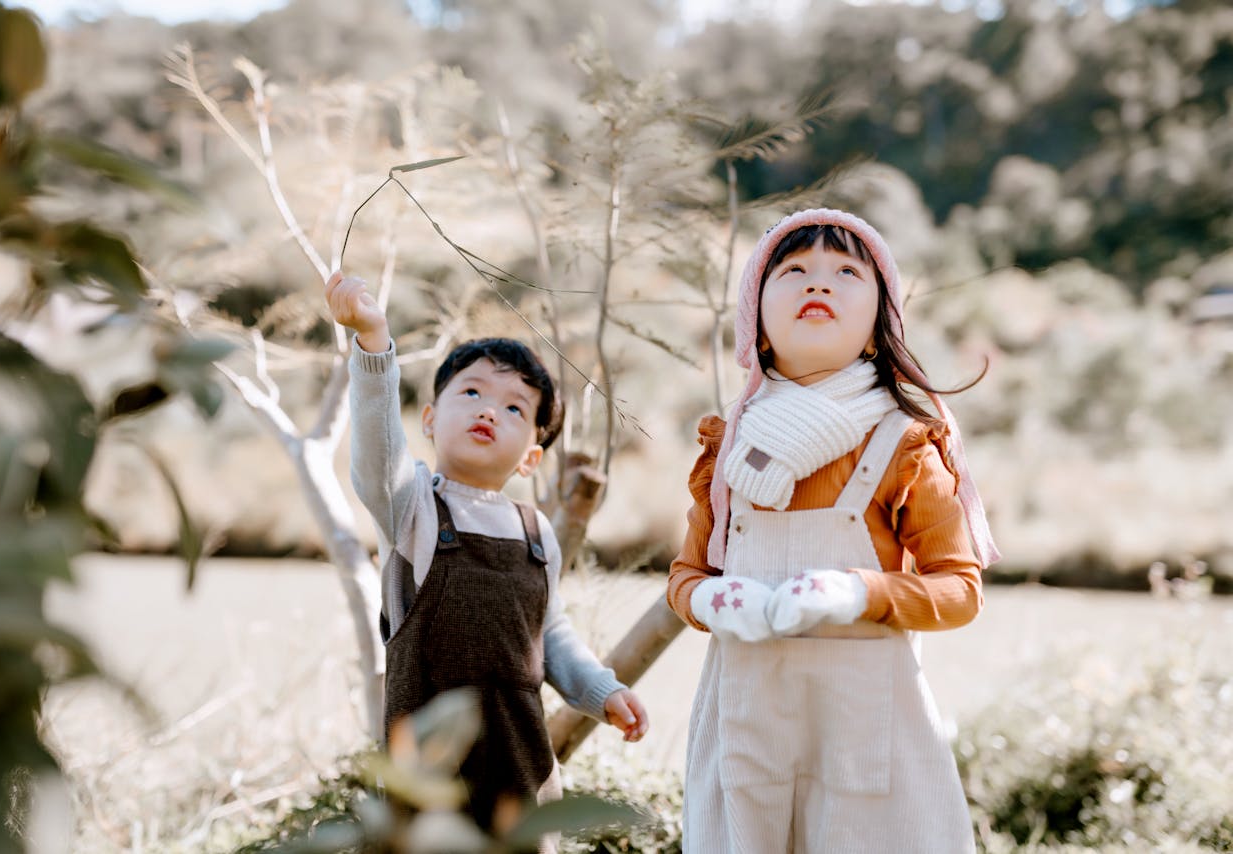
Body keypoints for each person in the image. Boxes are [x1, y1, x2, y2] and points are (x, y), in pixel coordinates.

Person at [666, 209, 1000, 853]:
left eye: (847, 271)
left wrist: (858, 593)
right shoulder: (728, 450)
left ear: (879, 327)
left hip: (868, 734)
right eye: (793, 271)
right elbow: (686, 578)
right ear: (754, 323)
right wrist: (714, 599)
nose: (818, 284)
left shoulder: (904, 443)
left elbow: (960, 590)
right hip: (747, 726)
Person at [324, 270, 649, 840]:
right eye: (471, 392)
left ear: (531, 458)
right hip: (429, 770)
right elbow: (377, 456)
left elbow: (551, 634)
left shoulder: (535, 530)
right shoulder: (413, 509)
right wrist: (373, 346)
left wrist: (602, 691)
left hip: (519, 762)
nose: (489, 410)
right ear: (429, 420)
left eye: (515, 408)